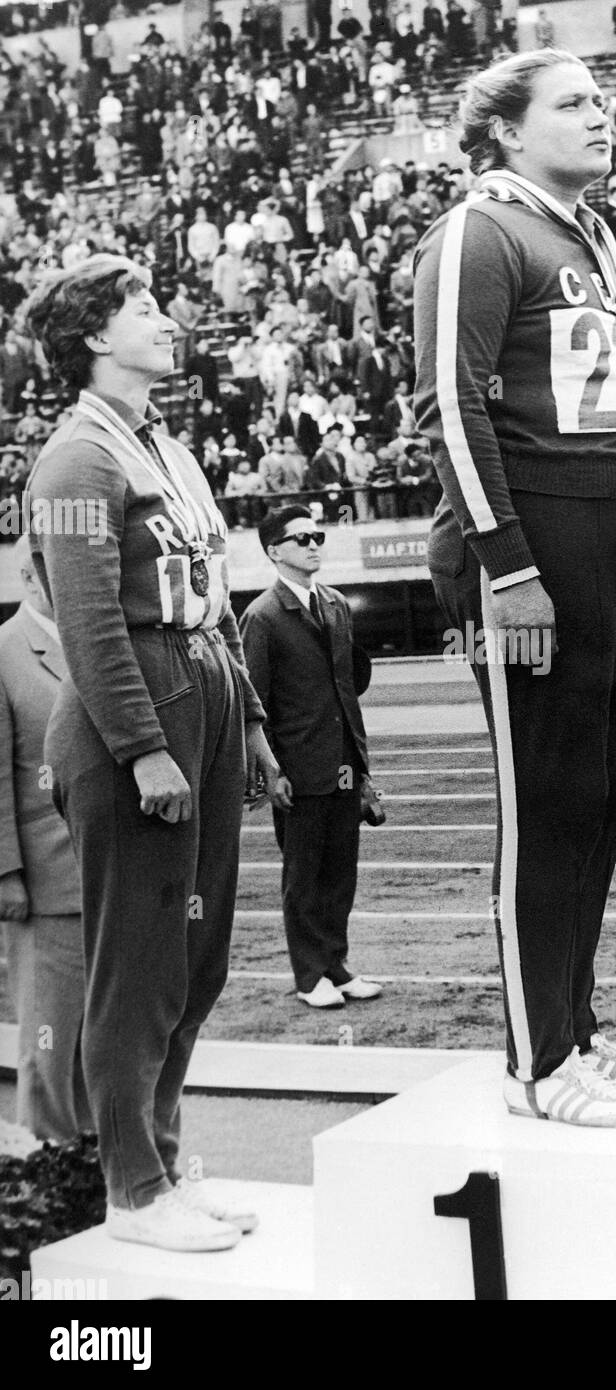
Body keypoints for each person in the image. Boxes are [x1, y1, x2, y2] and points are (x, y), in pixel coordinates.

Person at [414, 49, 616, 1129]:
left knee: (608, 789)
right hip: (539, 533)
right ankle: (537, 1056)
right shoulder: (482, 228)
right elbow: (449, 402)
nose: (599, 117)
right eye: (571, 104)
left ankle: (571, 1022)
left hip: (613, 532)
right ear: (508, 131)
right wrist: (509, 564)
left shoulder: (594, 236)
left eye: (602, 101)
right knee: (546, 798)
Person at [24, 256, 281, 1253]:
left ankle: (164, 1156)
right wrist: (139, 748)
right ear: (94, 335)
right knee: (136, 963)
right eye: (144, 307)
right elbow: (87, 620)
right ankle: (131, 1185)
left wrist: (249, 716)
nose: (166, 319)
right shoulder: (76, 461)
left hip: (200, 686)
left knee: (197, 950)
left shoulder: (163, 442)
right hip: (136, 708)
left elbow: (212, 599)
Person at [239, 506, 383, 1010]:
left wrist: (363, 769)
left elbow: (348, 693)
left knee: (340, 873)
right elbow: (254, 702)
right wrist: (270, 770)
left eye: (317, 535)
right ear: (275, 551)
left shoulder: (338, 605)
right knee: (303, 876)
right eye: (301, 539)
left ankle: (336, 965)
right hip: (297, 770)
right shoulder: (261, 616)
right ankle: (308, 975)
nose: (313, 544)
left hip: (342, 764)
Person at [0, 538, 90, 1143]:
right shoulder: (5, 652)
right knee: (49, 1030)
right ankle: (48, 1154)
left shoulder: (94, 643)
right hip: (46, 877)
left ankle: (96, 1151)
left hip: (113, 869)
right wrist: (5, 872)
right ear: (33, 577)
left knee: (104, 1029)